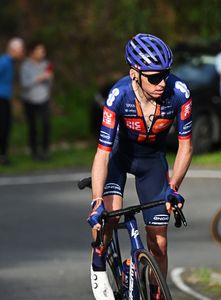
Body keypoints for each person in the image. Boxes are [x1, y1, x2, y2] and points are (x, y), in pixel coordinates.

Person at [86, 33, 193, 299]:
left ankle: (157, 293)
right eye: (154, 77)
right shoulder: (118, 95)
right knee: (108, 218)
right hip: (119, 159)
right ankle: (99, 258)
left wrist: (174, 186)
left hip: (152, 163)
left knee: (159, 244)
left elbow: (185, 146)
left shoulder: (179, 94)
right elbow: (102, 153)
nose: (162, 82)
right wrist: (97, 200)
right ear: (135, 73)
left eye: (166, 74)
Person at [0, 37, 25, 164]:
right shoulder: (3, 62)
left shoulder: (11, 63)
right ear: (13, 49)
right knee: (1, 127)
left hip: (5, 97)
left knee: (6, 126)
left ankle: (2, 154)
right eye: (20, 50)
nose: (21, 53)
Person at [20, 42, 54, 160]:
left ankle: (45, 151)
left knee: (46, 125)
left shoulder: (46, 64)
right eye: (40, 51)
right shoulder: (26, 66)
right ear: (32, 52)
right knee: (33, 127)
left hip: (44, 98)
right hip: (30, 100)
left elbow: (49, 83)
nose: (42, 54)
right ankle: (34, 152)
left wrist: (49, 78)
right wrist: (39, 78)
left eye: (43, 51)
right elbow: (24, 84)